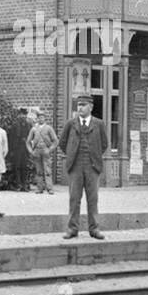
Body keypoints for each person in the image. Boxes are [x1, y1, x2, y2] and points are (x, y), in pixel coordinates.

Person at [60, 94, 107, 240]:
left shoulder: (99, 124)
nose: (80, 107)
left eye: (84, 105)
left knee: (93, 199)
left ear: (91, 107)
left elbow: (104, 144)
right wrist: (72, 155)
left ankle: (94, 229)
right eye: (78, 105)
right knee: (74, 198)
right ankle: (72, 228)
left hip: (93, 166)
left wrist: (94, 156)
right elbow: (62, 143)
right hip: (75, 166)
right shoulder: (70, 123)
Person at [27, 110, 59, 194]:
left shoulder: (49, 128)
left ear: (45, 119)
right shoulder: (34, 129)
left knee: (47, 170)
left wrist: (50, 149)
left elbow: (55, 141)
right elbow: (28, 142)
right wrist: (31, 151)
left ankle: (49, 188)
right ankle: (39, 188)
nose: (41, 119)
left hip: (46, 150)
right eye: (39, 118)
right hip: (37, 151)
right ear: (37, 119)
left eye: (42, 117)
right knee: (39, 170)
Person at [8, 105, 31, 191]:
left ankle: (24, 185)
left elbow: (31, 136)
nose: (23, 116)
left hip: (25, 148)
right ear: (19, 115)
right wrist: (11, 150)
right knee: (17, 166)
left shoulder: (28, 125)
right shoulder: (15, 125)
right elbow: (11, 138)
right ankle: (18, 185)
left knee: (24, 167)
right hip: (17, 148)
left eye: (25, 115)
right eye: (22, 114)